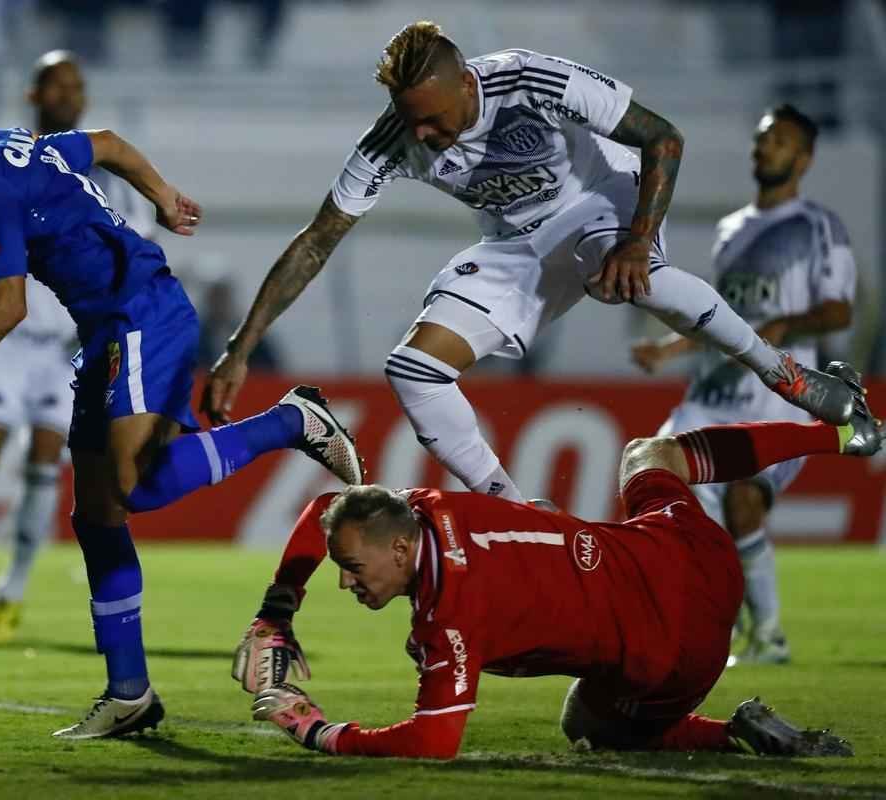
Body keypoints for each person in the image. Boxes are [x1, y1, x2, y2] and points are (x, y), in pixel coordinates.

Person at [0, 92, 363, 738]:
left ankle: (292, 422)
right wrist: (162, 195)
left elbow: (6, 307)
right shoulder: (0, 148)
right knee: (96, 514)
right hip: (106, 330)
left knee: (133, 484)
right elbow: (109, 145)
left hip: (139, 314)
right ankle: (129, 694)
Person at [204, 20, 859, 503]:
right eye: (412, 122)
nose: (423, 136)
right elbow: (316, 239)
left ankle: (783, 375)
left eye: (433, 120)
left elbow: (663, 137)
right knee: (412, 370)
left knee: (632, 279)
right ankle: (516, 512)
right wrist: (240, 347)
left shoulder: (530, 80)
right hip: (515, 244)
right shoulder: (392, 139)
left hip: (599, 202)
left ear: (467, 83)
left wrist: (638, 238)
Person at [232, 363, 878, 759]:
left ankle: (725, 731)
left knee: (583, 720)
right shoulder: (424, 505)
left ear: (400, 549)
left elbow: (432, 743)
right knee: (648, 455)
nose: (343, 581)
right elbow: (331, 507)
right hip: (696, 554)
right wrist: (278, 610)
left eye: (350, 566)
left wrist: (316, 729)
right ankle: (841, 432)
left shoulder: (447, 623)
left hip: (684, 660)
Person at [0, 51, 156, 647]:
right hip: (6, 339)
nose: (69, 94)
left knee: (46, 462)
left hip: (66, 345)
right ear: (34, 94)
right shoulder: (1, 159)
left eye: (77, 85)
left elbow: (133, 252)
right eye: (57, 85)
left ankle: (10, 595)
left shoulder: (105, 181)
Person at [631, 105, 855, 666]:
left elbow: (838, 311)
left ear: (804, 158)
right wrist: (668, 349)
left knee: (744, 500)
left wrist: (783, 326)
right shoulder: (730, 229)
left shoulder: (819, 227)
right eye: (761, 139)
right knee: (666, 490)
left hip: (775, 399)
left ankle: (769, 636)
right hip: (708, 398)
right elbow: (718, 320)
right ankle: (714, 627)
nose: (764, 148)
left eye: (778, 141)